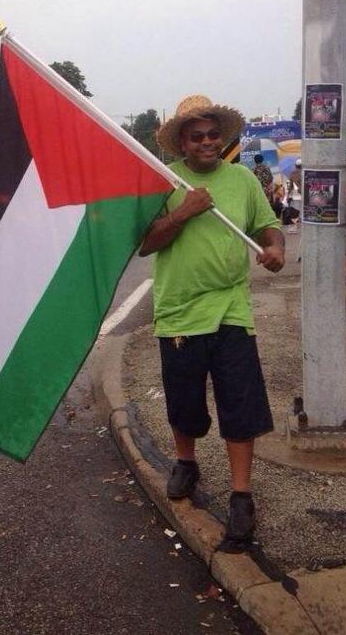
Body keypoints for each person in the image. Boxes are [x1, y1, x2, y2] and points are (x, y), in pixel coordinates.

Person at [139, 94, 284, 552]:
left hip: (232, 310)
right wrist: (183, 212)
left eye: (213, 135)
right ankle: (186, 461)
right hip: (179, 313)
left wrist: (276, 248)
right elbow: (144, 244)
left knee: (240, 405)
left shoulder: (242, 179)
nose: (206, 142)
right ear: (181, 143)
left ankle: (242, 495)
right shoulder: (163, 182)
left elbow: (268, 225)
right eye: (196, 136)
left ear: (223, 138)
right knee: (185, 404)